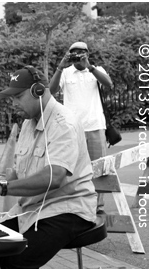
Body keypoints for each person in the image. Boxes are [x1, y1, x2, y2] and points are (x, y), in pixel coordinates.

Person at [0, 66, 97, 269]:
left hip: (68, 209)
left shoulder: (63, 124)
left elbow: (53, 178)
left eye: (18, 97)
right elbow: (19, 176)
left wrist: (3, 188)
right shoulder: (28, 123)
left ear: (39, 91)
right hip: (35, 208)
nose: (13, 104)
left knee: (18, 259)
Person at [49, 42, 113, 214]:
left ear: (87, 53)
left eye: (81, 52)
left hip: (95, 127)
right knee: (74, 170)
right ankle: (77, 206)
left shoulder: (96, 70)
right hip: (73, 129)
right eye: (73, 53)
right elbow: (51, 91)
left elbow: (109, 84)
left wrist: (90, 67)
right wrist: (60, 68)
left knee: (99, 170)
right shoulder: (66, 72)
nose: (77, 56)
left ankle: (98, 208)